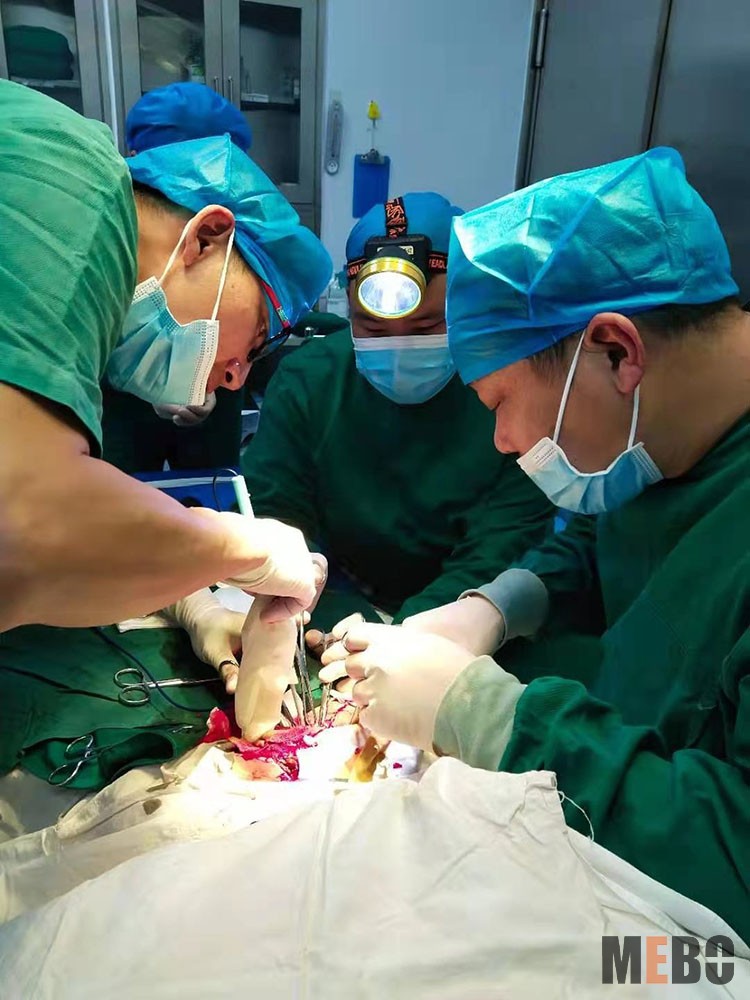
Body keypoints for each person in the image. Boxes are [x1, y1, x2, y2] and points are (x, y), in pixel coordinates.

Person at [320, 148, 750, 940]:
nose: (502, 441)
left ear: (616, 351)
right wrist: (496, 607)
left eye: (501, 403)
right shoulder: (668, 434)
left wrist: (487, 715)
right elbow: (605, 542)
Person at [0, 80, 332, 632]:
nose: (235, 379)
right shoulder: (77, 200)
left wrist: (190, 597)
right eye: (255, 340)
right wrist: (240, 548)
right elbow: (24, 528)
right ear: (207, 236)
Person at [241, 193, 553, 629]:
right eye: (372, 328)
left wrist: (414, 632)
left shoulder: (514, 386)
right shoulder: (310, 380)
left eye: (427, 326)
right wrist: (326, 614)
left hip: (470, 607)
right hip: (338, 597)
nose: (399, 347)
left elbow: (506, 542)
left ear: (471, 306)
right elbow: (275, 517)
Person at [103, 82, 256, 472]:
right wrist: (138, 374)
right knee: (119, 487)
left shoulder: (236, 229)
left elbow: (252, 322)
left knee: (210, 492)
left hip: (210, 405)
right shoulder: (102, 236)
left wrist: (211, 373)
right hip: (117, 406)